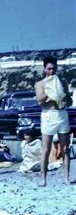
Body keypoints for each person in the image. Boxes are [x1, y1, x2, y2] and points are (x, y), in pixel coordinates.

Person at [35, 56, 72, 186]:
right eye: (49, 69)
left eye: (54, 68)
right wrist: (49, 91)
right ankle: (43, 179)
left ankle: (66, 177)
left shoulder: (62, 81)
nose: (52, 71)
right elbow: (40, 101)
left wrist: (64, 96)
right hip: (48, 115)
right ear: (45, 69)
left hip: (61, 114)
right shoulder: (40, 83)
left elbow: (68, 98)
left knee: (65, 148)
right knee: (46, 149)